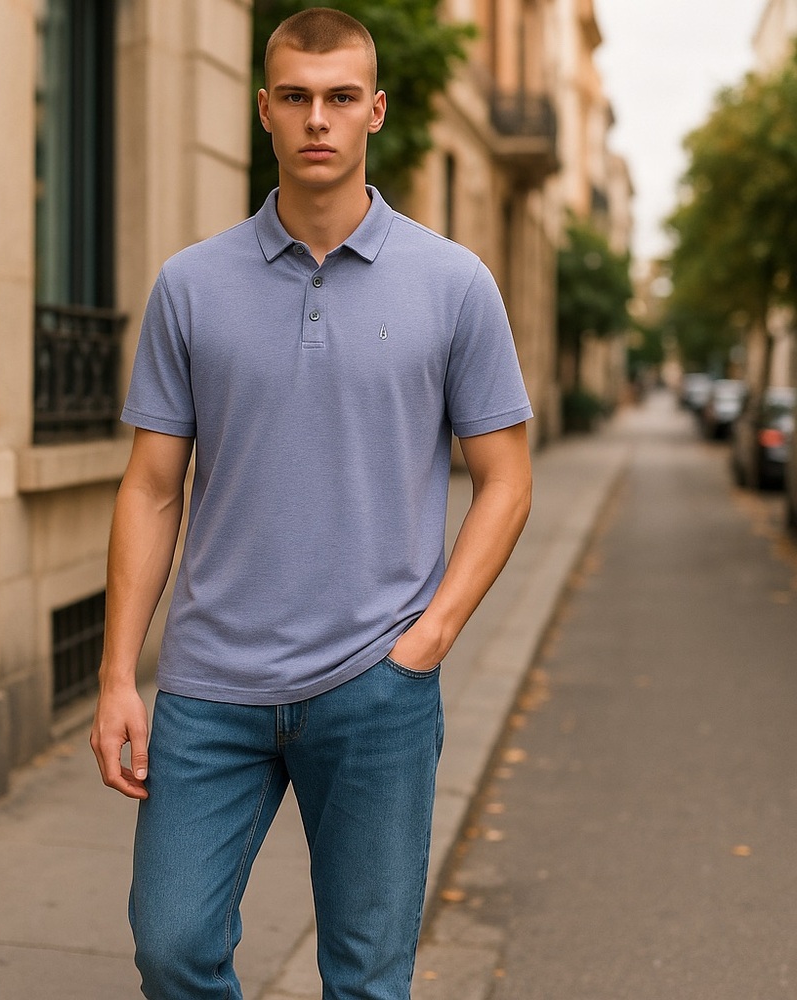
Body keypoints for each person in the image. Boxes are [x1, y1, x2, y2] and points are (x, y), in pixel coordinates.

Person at [90, 8, 533, 999]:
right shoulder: (190, 285)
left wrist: (426, 641)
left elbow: (506, 479)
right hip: (211, 684)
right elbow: (151, 488)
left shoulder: (454, 283)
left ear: (375, 110)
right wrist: (119, 673)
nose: (317, 119)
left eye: (340, 97)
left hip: (375, 684)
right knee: (171, 946)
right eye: (295, 97)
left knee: (367, 981)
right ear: (264, 110)